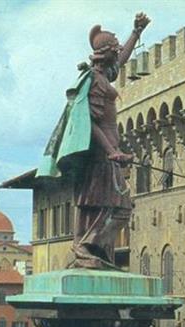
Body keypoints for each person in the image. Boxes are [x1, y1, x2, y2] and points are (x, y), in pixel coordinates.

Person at [37, 12, 151, 269]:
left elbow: (120, 62)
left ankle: (89, 249)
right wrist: (112, 152)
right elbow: (92, 122)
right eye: (116, 48)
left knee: (98, 204)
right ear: (105, 53)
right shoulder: (94, 82)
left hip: (107, 153)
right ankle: (86, 247)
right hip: (102, 154)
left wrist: (137, 32)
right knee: (119, 207)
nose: (119, 51)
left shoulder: (101, 76)